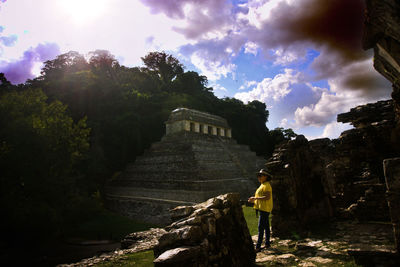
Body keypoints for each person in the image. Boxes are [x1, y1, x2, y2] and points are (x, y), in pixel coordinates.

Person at [248, 169, 273, 252]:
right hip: (263, 209)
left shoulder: (266, 185)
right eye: (258, 176)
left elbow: (267, 197)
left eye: (261, 176)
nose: (259, 177)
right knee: (266, 227)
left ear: (266, 177)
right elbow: (261, 197)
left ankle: (258, 247)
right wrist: (254, 199)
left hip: (264, 209)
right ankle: (267, 243)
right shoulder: (262, 185)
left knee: (260, 228)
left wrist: (255, 198)